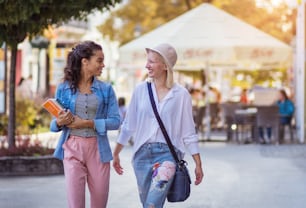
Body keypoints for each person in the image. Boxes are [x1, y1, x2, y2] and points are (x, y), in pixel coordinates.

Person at [112, 43, 204, 208]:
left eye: (152, 61)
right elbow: (129, 125)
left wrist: (198, 163)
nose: (147, 65)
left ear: (165, 65)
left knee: (151, 205)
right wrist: (117, 152)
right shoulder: (140, 90)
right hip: (141, 155)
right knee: (148, 204)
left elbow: (188, 132)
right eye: (148, 61)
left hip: (167, 156)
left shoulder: (181, 95)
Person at [49, 41, 120, 208]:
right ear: (85, 61)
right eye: (99, 60)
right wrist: (59, 122)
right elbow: (53, 125)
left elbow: (116, 121)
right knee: (75, 204)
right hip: (72, 147)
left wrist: (87, 123)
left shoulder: (106, 89)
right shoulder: (63, 88)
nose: (103, 65)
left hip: (98, 150)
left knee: (99, 203)